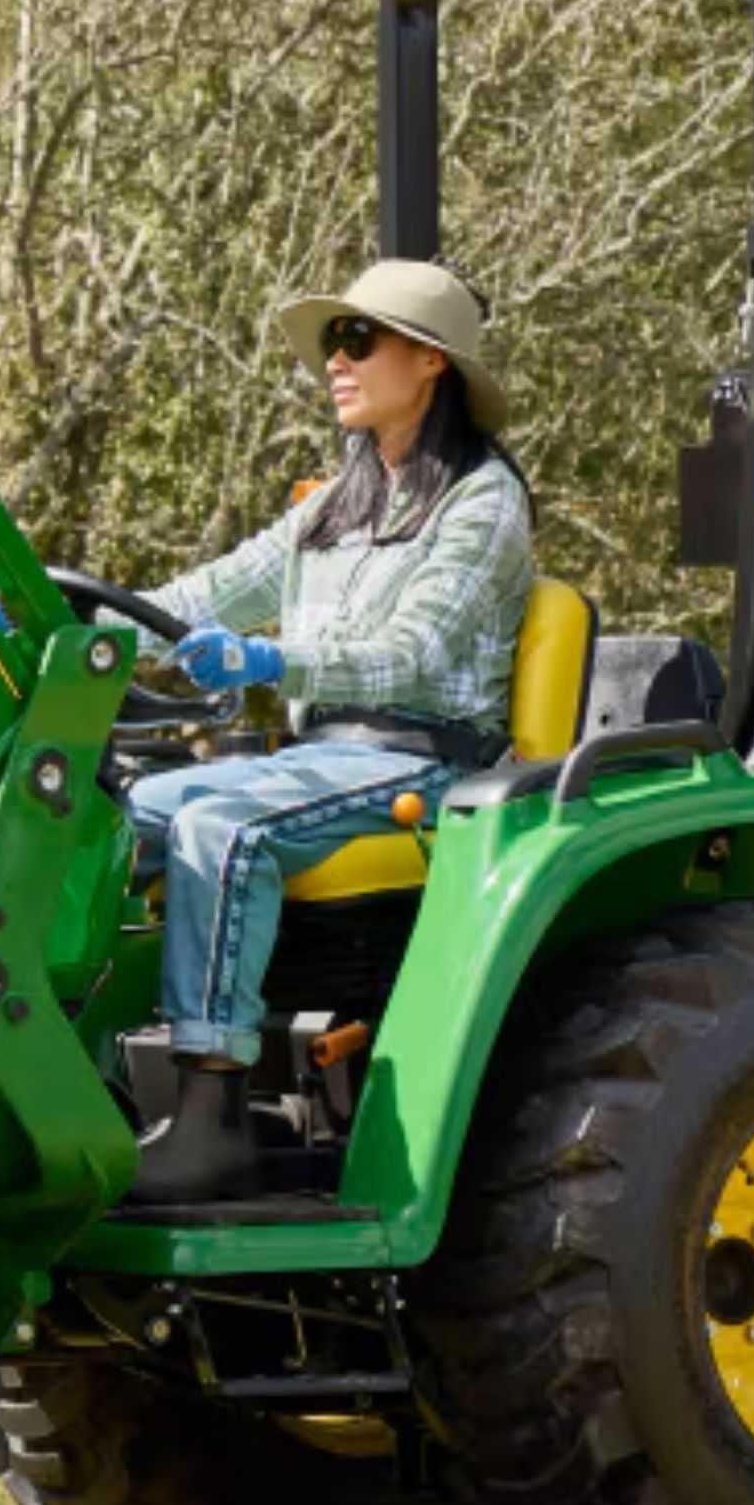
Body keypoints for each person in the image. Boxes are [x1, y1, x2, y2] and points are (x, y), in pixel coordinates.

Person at [122, 259, 534, 1205]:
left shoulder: (481, 502)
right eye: (330, 345)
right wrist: (45, 616)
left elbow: (412, 652)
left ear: (430, 360)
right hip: (321, 758)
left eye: (357, 340)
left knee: (222, 827)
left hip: (424, 762)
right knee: (121, 811)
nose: (333, 363)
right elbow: (195, 600)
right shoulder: (333, 508)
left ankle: (210, 1120)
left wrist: (273, 663)